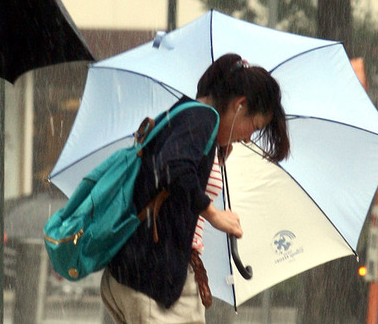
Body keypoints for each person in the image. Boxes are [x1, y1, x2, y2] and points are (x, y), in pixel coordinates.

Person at [100, 53, 290, 323]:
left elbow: (173, 175)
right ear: (239, 105)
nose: (248, 137)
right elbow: (173, 166)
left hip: (136, 272)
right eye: (254, 126)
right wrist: (213, 213)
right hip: (155, 278)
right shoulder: (202, 118)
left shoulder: (185, 117)